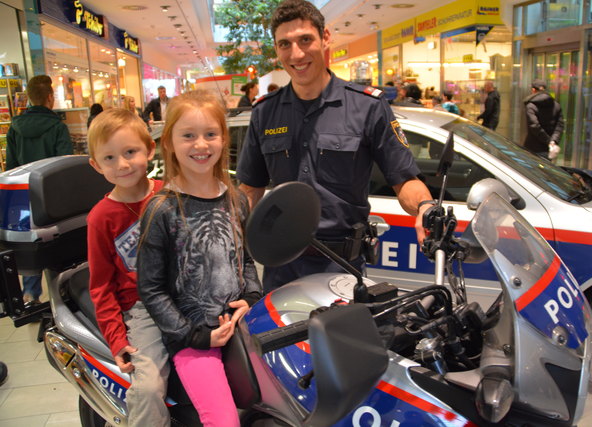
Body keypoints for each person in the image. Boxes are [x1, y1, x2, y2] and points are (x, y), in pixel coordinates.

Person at [236, 0, 434, 292]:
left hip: (342, 267)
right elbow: (250, 190)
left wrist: (425, 207)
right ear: (277, 50)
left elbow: (403, 179)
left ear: (325, 37)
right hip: (281, 268)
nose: (297, 54)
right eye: (285, 44)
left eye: (305, 39)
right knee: (278, 339)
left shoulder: (367, 106)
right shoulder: (265, 112)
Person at [137, 90, 262, 427]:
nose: (201, 145)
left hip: (239, 328)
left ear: (223, 138)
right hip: (192, 338)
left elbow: (245, 260)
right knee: (224, 422)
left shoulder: (236, 199)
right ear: (170, 142)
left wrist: (251, 296)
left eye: (210, 134)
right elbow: (151, 289)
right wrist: (194, 336)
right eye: (188, 135)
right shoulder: (161, 209)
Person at [86, 108, 169, 427]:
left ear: (150, 148)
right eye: (109, 158)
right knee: (148, 389)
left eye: (130, 152)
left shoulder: (169, 193)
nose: (121, 164)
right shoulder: (101, 218)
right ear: (95, 164)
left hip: (186, 297)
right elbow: (101, 286)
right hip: (142, 308)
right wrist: (116, 338)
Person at [6, 75, 74, 304]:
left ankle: (30, 293)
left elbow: (11, 167)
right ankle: (60, 296)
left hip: (23, 195)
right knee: (57, 245)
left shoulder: (14, 128)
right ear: (49, 97)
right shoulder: (57, 127)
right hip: (52, 197)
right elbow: (64, 164)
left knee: (30, 245)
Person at [523, 79, 564, 159]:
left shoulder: (531, 106)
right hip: (549, 149)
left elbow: (534, 126)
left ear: (533, 90)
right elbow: (559, 126)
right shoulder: (556, 105)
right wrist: (553, 141)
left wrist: (547, 140)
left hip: (532, 146)